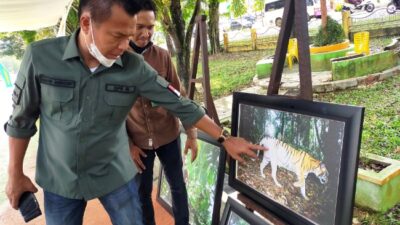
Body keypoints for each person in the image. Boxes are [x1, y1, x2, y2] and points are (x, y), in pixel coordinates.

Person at [4, 0, 266, 225]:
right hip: (60, 179)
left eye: (128, 36)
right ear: (86, 23)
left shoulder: (133, 67)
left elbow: (181, 104)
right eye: (117, 36)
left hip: (114, 176)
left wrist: (225, 138)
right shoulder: (41, 57)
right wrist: (15, 173)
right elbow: (21, 120)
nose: (124, 45)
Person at [126, 1, 196, 225]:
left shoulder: (163, 56)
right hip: (137, 143)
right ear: (128, 24)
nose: (146, 33)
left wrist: (192, 135)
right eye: (140, 27)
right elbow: (111, 113)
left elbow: (180, 97)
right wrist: (127, 145)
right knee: (142, 193)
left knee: (177, 185)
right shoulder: (116, 60)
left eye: (151, 27)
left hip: (168, 134)